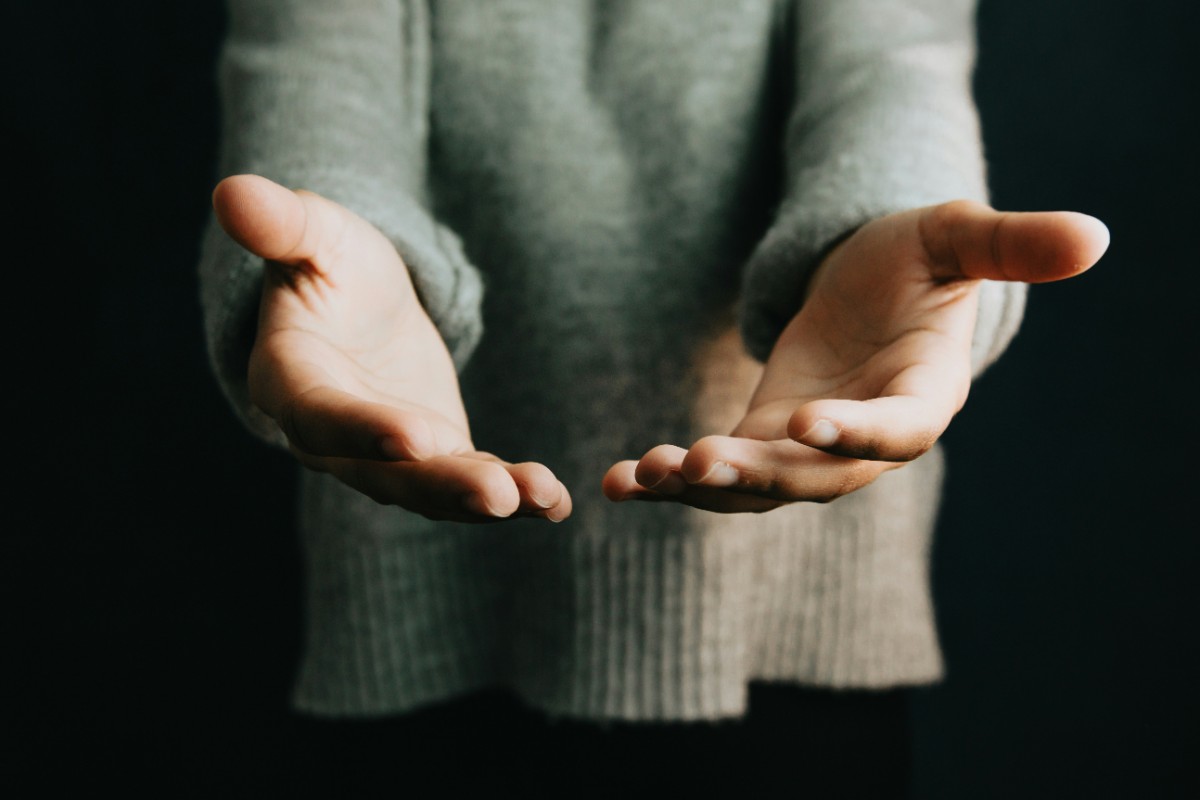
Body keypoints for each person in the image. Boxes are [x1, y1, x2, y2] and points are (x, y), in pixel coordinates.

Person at [198, 0, 1108, 792]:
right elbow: (317, 73)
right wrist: (319, 258)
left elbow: (893, 64)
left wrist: (899, 232)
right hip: (419, 583)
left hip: (785, 606)